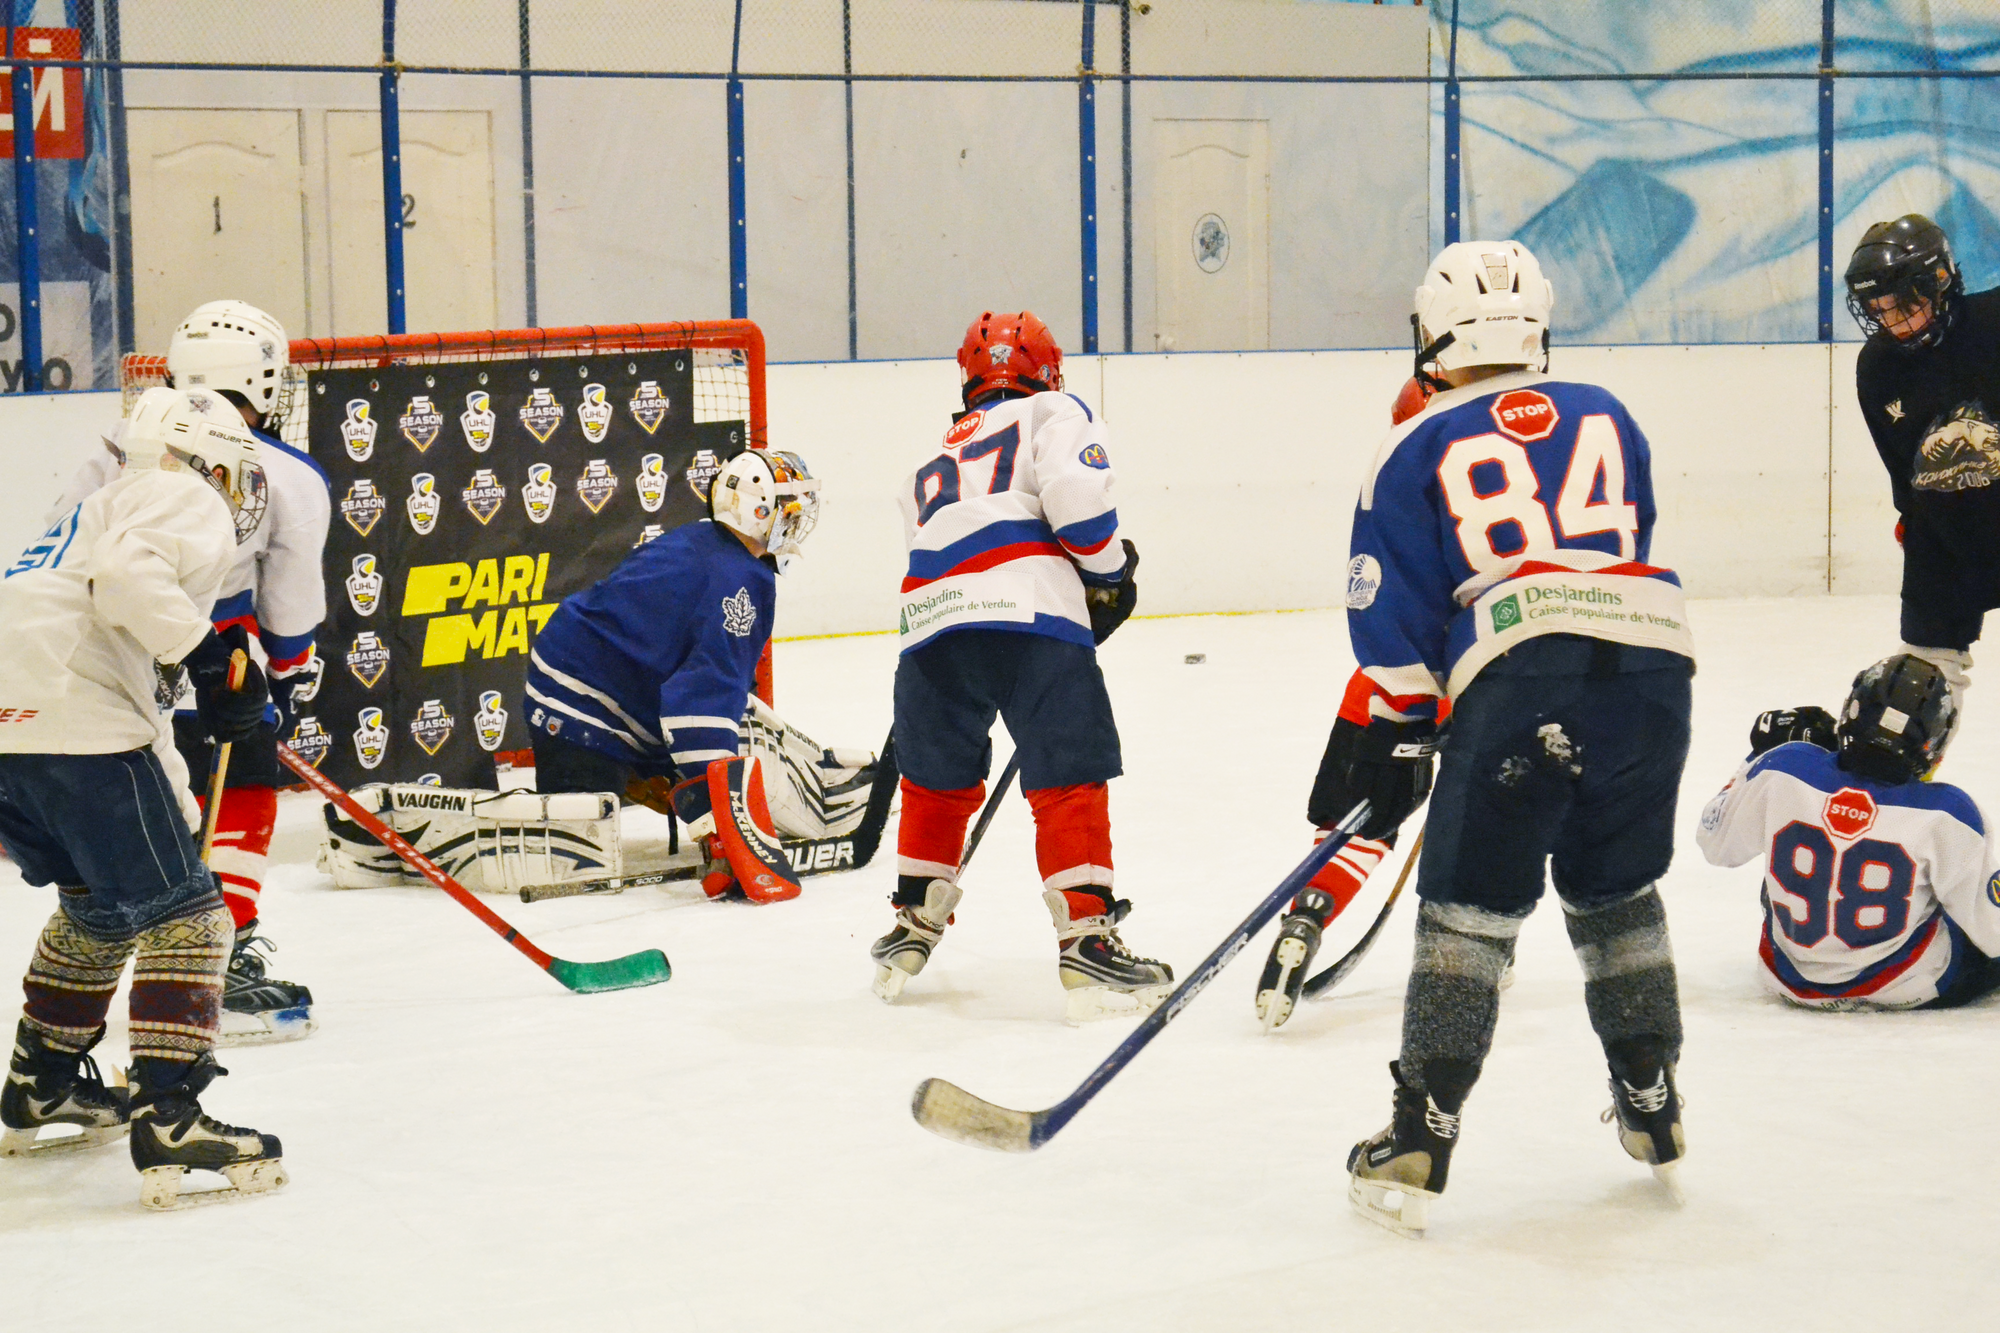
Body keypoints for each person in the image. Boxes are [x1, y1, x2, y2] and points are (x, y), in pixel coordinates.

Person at [1329, 241, 1697, 1237]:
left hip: (1519, 669)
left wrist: (1406, 724)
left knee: (1469, 909)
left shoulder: (1409, 440)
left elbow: (1389, 624)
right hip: (1655, 662)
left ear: (1431, 333)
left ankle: (1419, 1131)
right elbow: (1620, 544)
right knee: (1614, 886)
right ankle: (1651, 1102)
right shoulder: (1607, 411)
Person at [0, 388, 286, 1208]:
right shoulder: (183, 496)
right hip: (77, 728)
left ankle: (40, 1083)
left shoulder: (95, 507)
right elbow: (128, 586)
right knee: (191, 916)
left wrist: (177, 811)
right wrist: (208, 655)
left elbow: (124, 687)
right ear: (210, 459)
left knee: (100, 908)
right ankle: (170, 1113)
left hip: (13, 734)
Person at [869, 309, 1164, 1025]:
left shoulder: (930, 461)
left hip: (930, 627)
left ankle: (913, 918)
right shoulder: (1053, 409)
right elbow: (1078, 500)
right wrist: (1109, 570)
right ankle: (1087, 935)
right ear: (1047, 370)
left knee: (937, 779)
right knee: (1067, 771)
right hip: (1029, 613)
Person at [49, 300, 327, 1044]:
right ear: (261, 383)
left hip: (97, 660)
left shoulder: (111, 450)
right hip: (208, 652)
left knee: (149, 812)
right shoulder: (287, 474)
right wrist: (289, 680)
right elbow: (291, 606)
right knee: (242, 781)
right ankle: (217, 950)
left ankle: (123, 977)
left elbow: (68, 551)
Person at [522, 449, 822, 902]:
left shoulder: (717, 546)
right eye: (788, 507)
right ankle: (519, 814)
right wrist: (721, 825)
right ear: (757, 512)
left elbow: (711, 681)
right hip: (579, 703)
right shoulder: (738, 579)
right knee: (572, 855)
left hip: (591, 679)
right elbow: (699, 704)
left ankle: (624, 770)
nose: (796, 519)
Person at [1697, 656, 2000, 1010]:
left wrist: (1756, 758)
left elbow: (1715, 844)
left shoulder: (1784, 767)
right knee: (1971, 902)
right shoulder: (1948, 813)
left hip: (1785, 980)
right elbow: (1994, 933)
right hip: (1905, 986)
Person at [1845, 215, 2000, 704]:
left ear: (1940, 280)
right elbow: (1904, 473)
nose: (1895, 322)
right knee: (1913, 698)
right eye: (1880, 309)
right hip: (1946, 542)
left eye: (1905, 304)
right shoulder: (1877, 368)